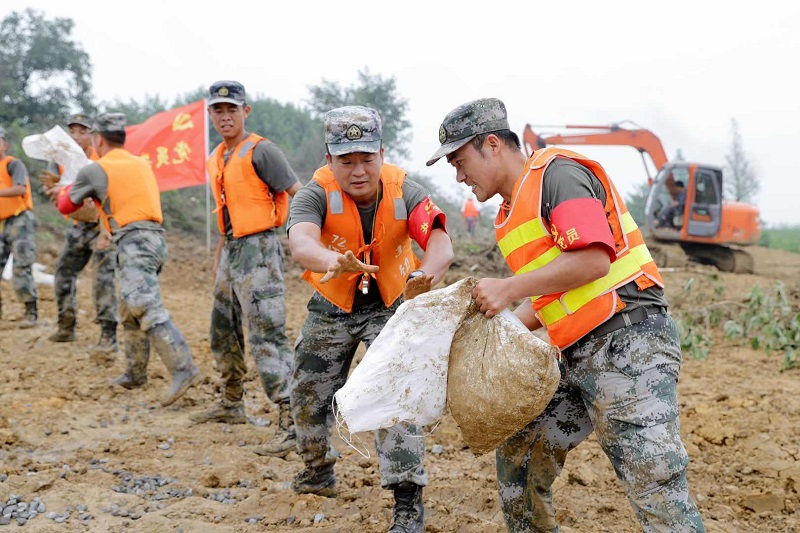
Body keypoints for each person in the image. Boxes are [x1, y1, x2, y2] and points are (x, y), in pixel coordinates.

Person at [427, 98, 705, 532]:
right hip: (573, 356)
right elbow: (549, 295)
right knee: (519, 454)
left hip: (627, 345)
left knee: (654, 484)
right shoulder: (509, 213)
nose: (459, 176)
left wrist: (508, 287)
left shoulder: (556, 175)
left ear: (493, 144)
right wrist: (490, 334)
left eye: (461, 162)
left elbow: (593, 260)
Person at [287, 106, 453, 532]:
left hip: (390, 305)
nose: (358, 171)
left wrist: (427, 274)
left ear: (382, 153)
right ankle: (317, 471)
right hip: (333, 306)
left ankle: (407, 501)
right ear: (329, 160)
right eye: (346, 161)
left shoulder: (405, 191)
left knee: (395, 396)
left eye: (366, 159)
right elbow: (301, 242)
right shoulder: (315, 193)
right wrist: (332, 260)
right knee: (307, 392)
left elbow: (439, 241)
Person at [49, 112, 201, 407]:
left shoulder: (96, 168)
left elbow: (67, 204)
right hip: (154, 239)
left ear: (98, 140)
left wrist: (60, 189)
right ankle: (134, 373)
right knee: (129, 308)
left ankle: (184, 368)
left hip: (133, 242)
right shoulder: (140, 163)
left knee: (145, 307)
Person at [190, 81, 302, 458]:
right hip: (231, 251)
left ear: (245, 112)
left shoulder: (262, 151)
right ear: (210, 114)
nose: (224, 116)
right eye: (217, 110)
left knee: (266, 333)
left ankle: (292, 417)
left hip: (259, 250)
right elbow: (227, 211)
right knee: (222, 328)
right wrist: (219, 256)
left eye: (231, 110)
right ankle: (232, 401)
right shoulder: (217, 156)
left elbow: (299, 193)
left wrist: (304, 240)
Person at [42, 113, 118, 355]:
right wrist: (53, 188)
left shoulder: (102, 159)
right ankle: (66, 326)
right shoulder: (61, 158)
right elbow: (51, 186)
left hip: (101, 226)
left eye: (82, 131)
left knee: (102, 279)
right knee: (64, 272)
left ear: (93, 135)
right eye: (72, 131)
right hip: (78, 225)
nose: (76, 136)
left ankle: (108, 335)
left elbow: (112, 193)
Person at [0, 126, 38, 328]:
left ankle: (30, 311)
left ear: (4, 144)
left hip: (19, 220)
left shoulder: (13, 164)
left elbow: (20, 188)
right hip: (2, 222)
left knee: (22, 266)